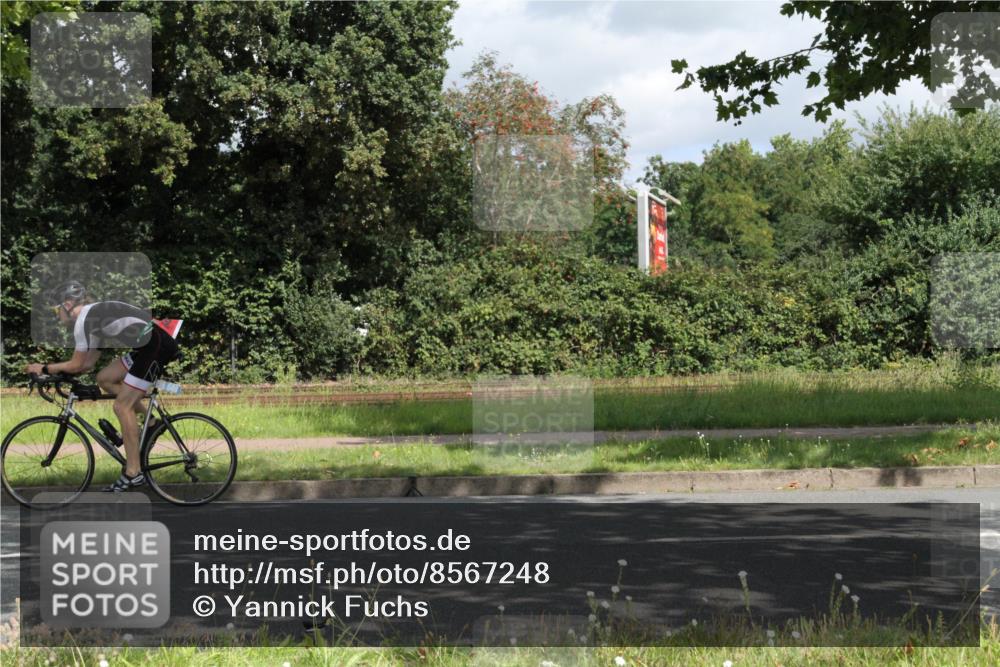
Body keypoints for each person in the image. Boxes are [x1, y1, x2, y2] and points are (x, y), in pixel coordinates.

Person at [23, 280, 179, 492]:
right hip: (147, 346)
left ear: (67, 305)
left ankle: (133, 473)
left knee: (122, 407)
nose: (56, 315)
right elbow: (87, 364)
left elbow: (76, 364)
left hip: (156, 347)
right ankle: (150, 422)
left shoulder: (85, 320)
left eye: (55, 310)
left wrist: (44, 368)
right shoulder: (93, 320)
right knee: (105, 378)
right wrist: (57, 373)